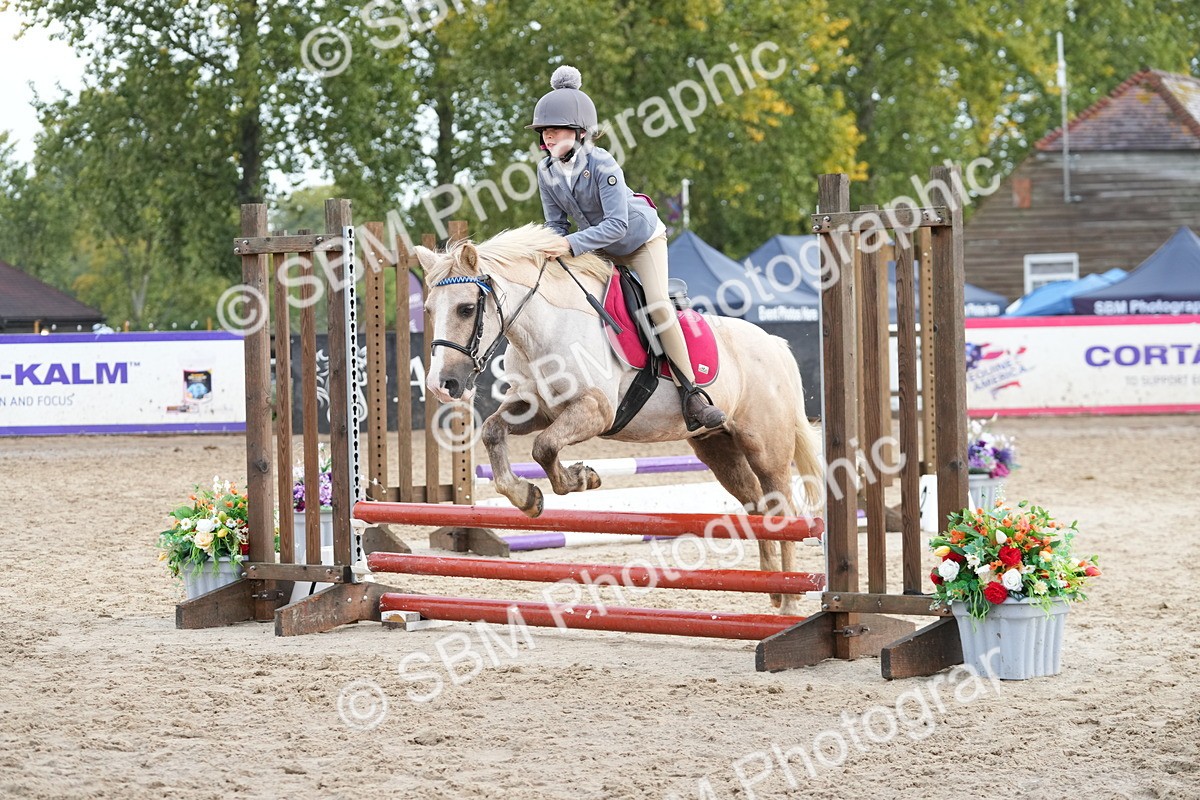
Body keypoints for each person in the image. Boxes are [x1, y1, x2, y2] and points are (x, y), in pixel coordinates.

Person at [529, 65, 727, 430]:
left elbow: (617, 224)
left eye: (554, 130)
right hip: (599, 244)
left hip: (640, 240)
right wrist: (544, 251)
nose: (547, 137)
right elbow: (556, 225)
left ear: (580, 131)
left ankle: (693, 395)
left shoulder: (603, 163)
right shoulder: (546, 171)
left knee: (658, 306)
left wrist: (568, 244)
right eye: (544, 131)